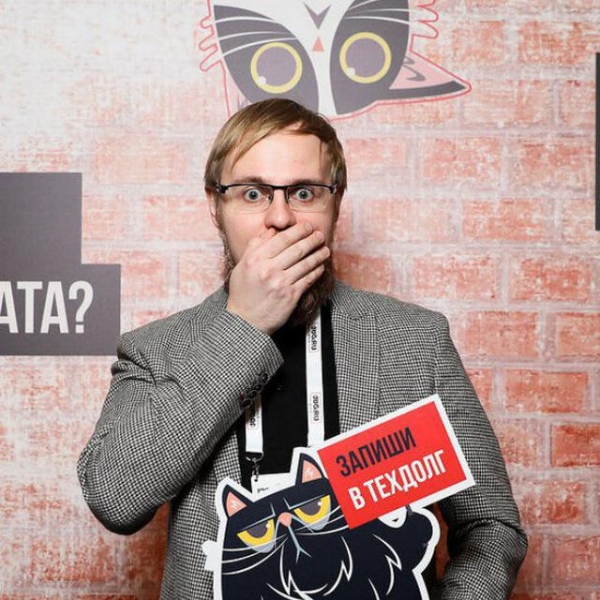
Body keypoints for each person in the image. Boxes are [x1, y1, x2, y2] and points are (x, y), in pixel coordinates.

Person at [78, 98, 528, 599]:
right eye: (252, 193)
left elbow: (491, 526)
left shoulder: (414, 341)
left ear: (336, 203)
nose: (280, 217)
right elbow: (116, 499)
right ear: (215, 206)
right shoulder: (156, 350)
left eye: (304, 192)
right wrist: (245, 325)